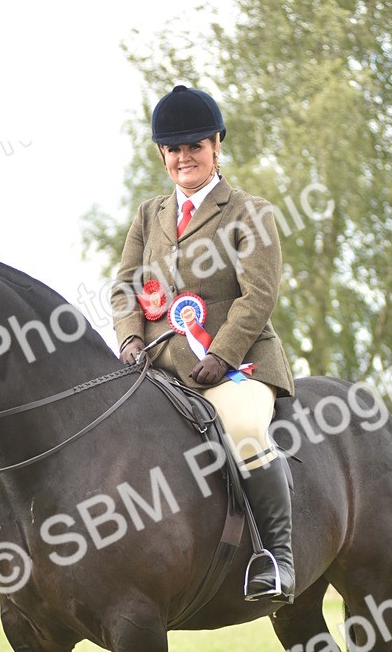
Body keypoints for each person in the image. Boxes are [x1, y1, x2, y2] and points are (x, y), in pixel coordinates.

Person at [111, 84, 296, 602]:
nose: (184, 157)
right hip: (157, 366)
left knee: (244, 430)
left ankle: (277, 559)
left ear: (216, 145)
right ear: (162, 154)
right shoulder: (148, 215)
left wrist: (221, 354)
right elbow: (125, 287)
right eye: (173, 148)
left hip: (238, 366)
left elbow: (258, 296)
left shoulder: (249, 212)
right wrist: (130, 338)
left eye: (195, 145)